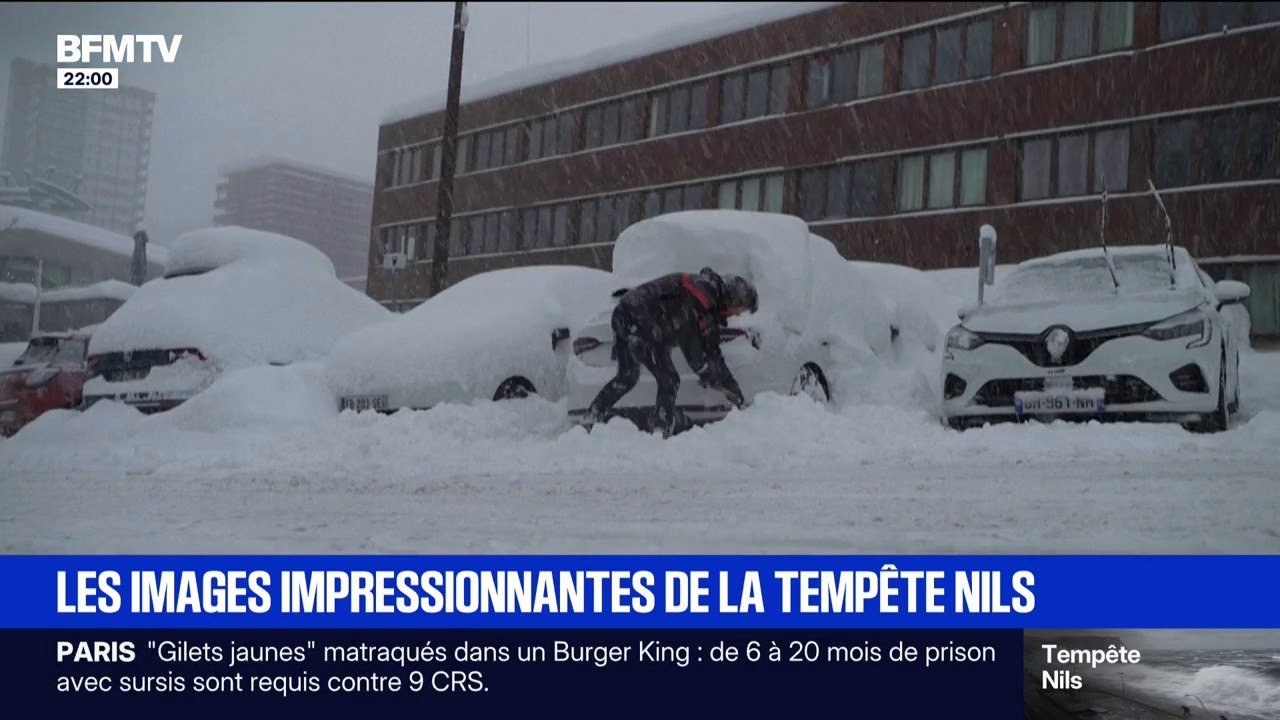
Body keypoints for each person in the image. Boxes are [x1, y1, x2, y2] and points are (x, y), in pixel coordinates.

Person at [585, 267, 759, 437]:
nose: (735, 316)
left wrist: (736, 395)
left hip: (634, 319)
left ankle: (592, 418)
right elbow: (692, 346)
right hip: (635, 320)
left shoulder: (709, 305)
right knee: (665, 379)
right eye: (739, 311)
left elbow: (713, 354)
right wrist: (706, 373)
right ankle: (660, 431)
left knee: (631, 377)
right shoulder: (701, 296)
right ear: (735, 300)